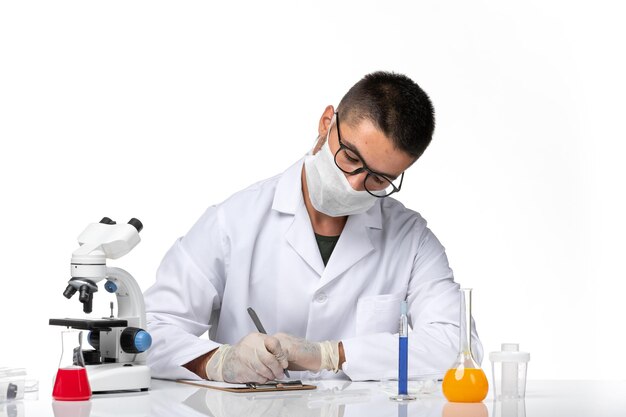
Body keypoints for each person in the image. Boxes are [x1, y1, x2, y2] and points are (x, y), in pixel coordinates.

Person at [144, 71, 483, 383]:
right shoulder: (232, 222)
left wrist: (330, 355)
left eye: (378, 179)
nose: (354, 184)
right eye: (350, 158)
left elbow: (460, 348)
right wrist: (216, 362)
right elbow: (148, 331)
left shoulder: (411, 239)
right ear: (326, 124)